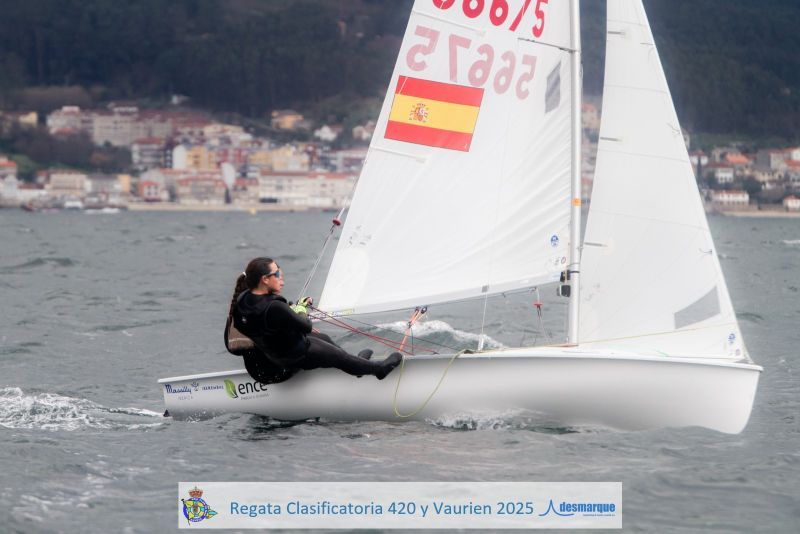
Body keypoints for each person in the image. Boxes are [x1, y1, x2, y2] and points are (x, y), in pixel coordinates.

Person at [228, 257, 402, 384]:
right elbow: (306, 326)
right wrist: (301, 309)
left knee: (325, 338)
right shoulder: (274, 306)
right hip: (297, 355)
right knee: (339, 357)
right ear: (265, 279)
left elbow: (267, 324)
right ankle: (379, 370)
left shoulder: (242, 301)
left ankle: (358, 365)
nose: (281, 277)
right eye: (277, 273)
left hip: (278, 355)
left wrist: (288, 315)